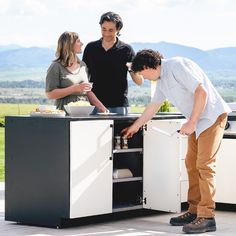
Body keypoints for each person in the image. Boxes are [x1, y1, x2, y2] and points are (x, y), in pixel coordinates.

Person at [121, 49, 231, 234]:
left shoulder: (177, 66)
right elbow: (153, 107)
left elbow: (201, 92)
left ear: (148, 66)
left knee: (204, 165)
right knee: (191, 164)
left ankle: (207, 217)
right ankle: (194, 211)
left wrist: (192, 122)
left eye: (142, 73)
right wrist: (136, 126)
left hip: (212, 117)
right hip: (197, 121)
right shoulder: (161, 81)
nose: (144, 78)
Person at [82, 11, 143, 115]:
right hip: (94, 105)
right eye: (103, 29)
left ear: (118, 29)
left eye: (111, 30)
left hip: (119, 106)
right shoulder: (91, 48)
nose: (106, 33)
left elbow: (139, 81)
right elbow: (83, 76)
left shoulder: (127, 50)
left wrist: (131, 68)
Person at [45, 31, 107, 112]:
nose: (82, 43)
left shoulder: (83, 65)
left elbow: (88, 91)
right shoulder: (56, 66)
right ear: (69, 44)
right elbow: (50, 94)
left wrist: (101, 107)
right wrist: (74, 88)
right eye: (78, 41)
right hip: (64, 113)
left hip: (84, 113)